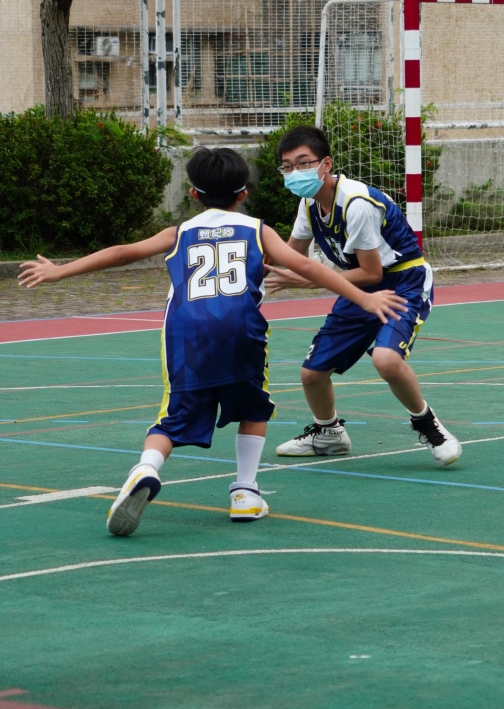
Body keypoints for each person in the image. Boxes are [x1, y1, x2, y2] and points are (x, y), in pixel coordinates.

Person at [18, 147, 407, 536]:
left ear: (193, 194)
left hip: (187, 333)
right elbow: (306, 266)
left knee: (174, 417)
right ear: (243, 194)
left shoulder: (179, 233)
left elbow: (122, 254)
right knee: (253, 408)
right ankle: (245, 492)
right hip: (242, 329)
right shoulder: (258, 230)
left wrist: (60, 271)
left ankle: (147, 468)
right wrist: (364, 298)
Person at [264, 125, 462, 465]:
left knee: (386, 360)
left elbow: (372, 273)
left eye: (303, 163)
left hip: (403, 281)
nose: (295, 172)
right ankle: (329, 434)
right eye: (287, 166)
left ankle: (428, 423)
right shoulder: (308, 204)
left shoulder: (356, 204)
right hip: (358, 286)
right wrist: (244, 275)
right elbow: (288, 255)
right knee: (312, 374)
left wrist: (310, 281)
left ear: (325, 164)